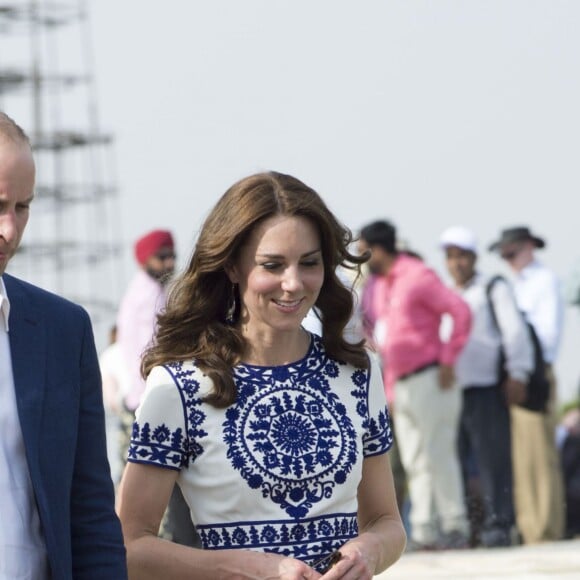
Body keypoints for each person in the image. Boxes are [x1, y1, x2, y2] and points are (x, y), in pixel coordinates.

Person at [118, 171, 406, 579]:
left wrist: (369, 552)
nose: (293, 284)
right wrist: (243, 569)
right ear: (232, 267)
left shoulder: (358, 374)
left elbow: (387, 522)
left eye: (309, 263)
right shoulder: (177, 388)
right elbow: (129, 546)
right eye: (272, 265)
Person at [0, 113, 126, 577]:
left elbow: (90, 509)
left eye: (23, 207)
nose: (10, 231)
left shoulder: (61, 329)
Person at [358, 220, 472, 551]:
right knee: (414, 460)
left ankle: (455, 525)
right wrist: (389, 391)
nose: (361, 258)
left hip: (431, 377)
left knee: (438, 454)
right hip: (400, 383)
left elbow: (460, 311)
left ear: (377, 249)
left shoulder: (417, 275)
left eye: (363, 250)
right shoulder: (377, 286)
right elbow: (383, 338)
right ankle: (424, 530)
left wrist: (449, 358)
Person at [440, 226, 534, 547]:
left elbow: (514, 332)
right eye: (451, 257)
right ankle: (471, 526)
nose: (456, 263)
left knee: (493, 461)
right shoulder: (445, 293)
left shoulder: (492, 288)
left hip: (486, 388)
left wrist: (518, 373)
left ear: (474, 257)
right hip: (453, 392)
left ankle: (500, 524)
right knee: (459, 462)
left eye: (462, 256)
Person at [489, 225, 565, 543]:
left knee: (540, 455)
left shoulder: (543, 281)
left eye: (512, 251)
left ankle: (546, 528)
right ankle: (531, 528)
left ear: (530, 246)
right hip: (516, 373)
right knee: (522, 455)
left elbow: (547, 336)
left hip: (536, 373)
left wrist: (527, 372)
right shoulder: (515, 284)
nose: (507, 258)